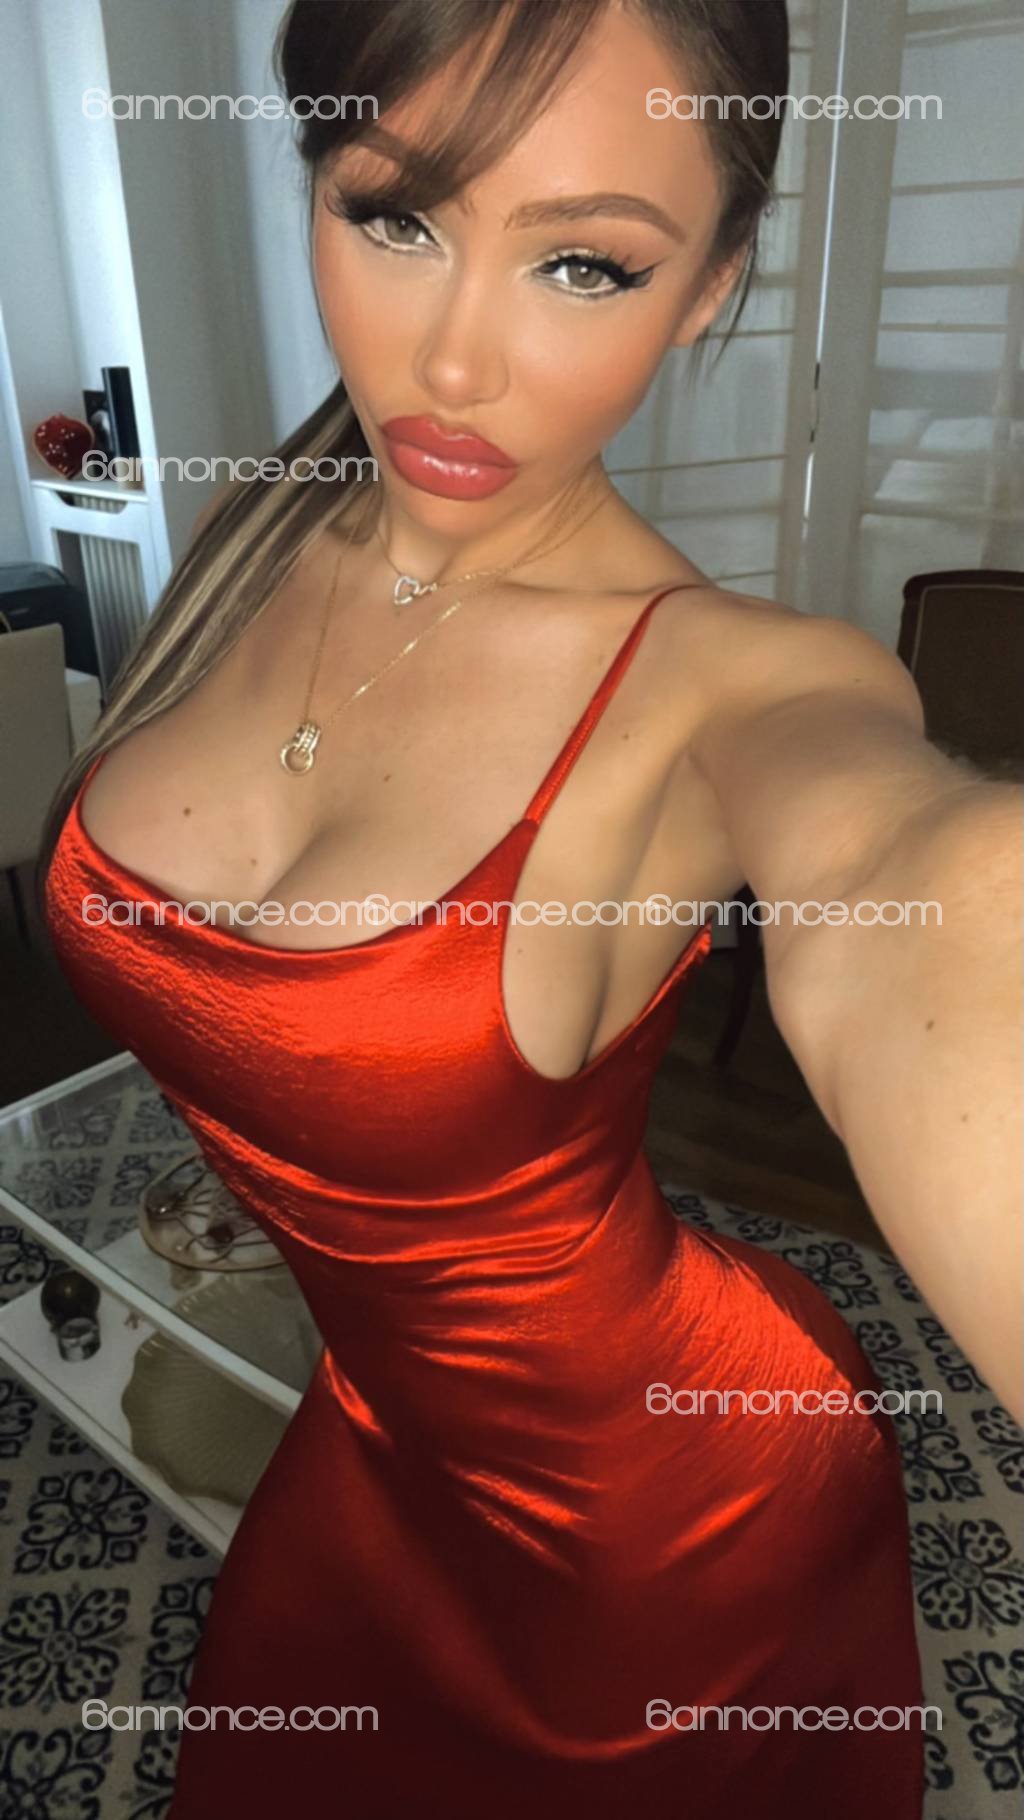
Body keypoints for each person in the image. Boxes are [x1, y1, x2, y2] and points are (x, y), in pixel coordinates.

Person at [39, 1, 1020, 1814]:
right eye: (396, 216)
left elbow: (924, 882)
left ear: (710, 282)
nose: (453, 362)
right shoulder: (261, 532)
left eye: (584, 263)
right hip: (378, 1442)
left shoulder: (741, 687)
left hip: (678, 1525)